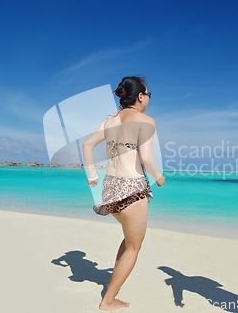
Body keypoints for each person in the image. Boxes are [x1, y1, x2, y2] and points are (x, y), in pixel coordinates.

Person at [82, 76, 165, 310]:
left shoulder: (110, 121)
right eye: (148, 94)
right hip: (132, 190)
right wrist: (159, 178)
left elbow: (87, 145)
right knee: (134, 247)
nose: (148, 98)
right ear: (140, 96)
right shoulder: (146, 120)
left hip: (109, 190)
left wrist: (92, 176)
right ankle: (108, 301)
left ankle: (111, 286)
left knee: (128, 241)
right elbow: (147, 158)